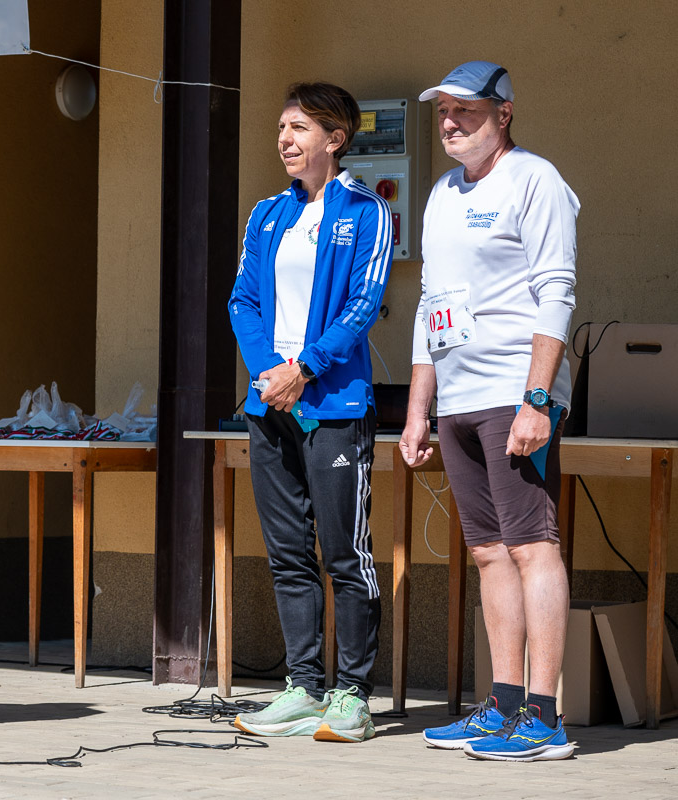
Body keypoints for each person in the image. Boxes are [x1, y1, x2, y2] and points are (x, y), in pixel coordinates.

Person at [404, 62, 580, 762]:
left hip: (514, 392)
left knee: (533, 545)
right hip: (458, 397)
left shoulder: (534, 179)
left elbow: (556, 289)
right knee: (486, 552)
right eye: (443, 112)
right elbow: (429, 304)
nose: (450, 123)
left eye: (467, 111)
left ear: (503, 114)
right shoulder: (442, 192)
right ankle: (502, 706)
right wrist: (418, 409)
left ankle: (544, 716)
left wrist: (538, 399)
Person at [228, 82, 394, 743]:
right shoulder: (267, 213)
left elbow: (363, 303)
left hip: (334, 405)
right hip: (269, 403)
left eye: (298, 127)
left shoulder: (367, 211)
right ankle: (302, 688)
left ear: (335, 138)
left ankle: (352, 696)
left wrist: (305, 369)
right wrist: (271, 373)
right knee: (287, 555)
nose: (284, 139)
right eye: (280, 128)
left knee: (346, 555)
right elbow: (242, 299)